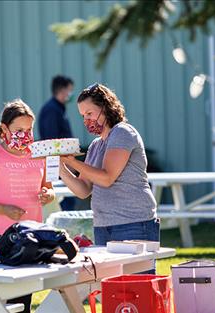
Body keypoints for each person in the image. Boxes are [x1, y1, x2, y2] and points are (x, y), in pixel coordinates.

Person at [59, 83, 159, 273]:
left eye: (89, 113)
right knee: (113, 291)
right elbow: (83, 190)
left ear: (105, 108)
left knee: (138, 289)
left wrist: (72, 161)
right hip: (104, 226)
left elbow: (106, 178)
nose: (86, 120)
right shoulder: (96, 145)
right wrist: (61, 167)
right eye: (82, 116)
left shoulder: (123, 132)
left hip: (133, 223)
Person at [0, 99, 55, 313]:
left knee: (23, 299)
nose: (25, 135)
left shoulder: (40, 153)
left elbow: (50, 189)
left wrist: (48, 195)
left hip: (31, 234)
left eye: (29, 129)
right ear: (4, 129)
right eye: (19, 130)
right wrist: (4, 210)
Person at [38, 75, 76, 210]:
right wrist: (65, 164)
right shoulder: (52, 110)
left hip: (62, 163)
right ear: (62, 90)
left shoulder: (58, 109)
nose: (71, 94)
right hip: (57, 166)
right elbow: (52, 142)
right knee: (62, 203)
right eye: (70, 90)